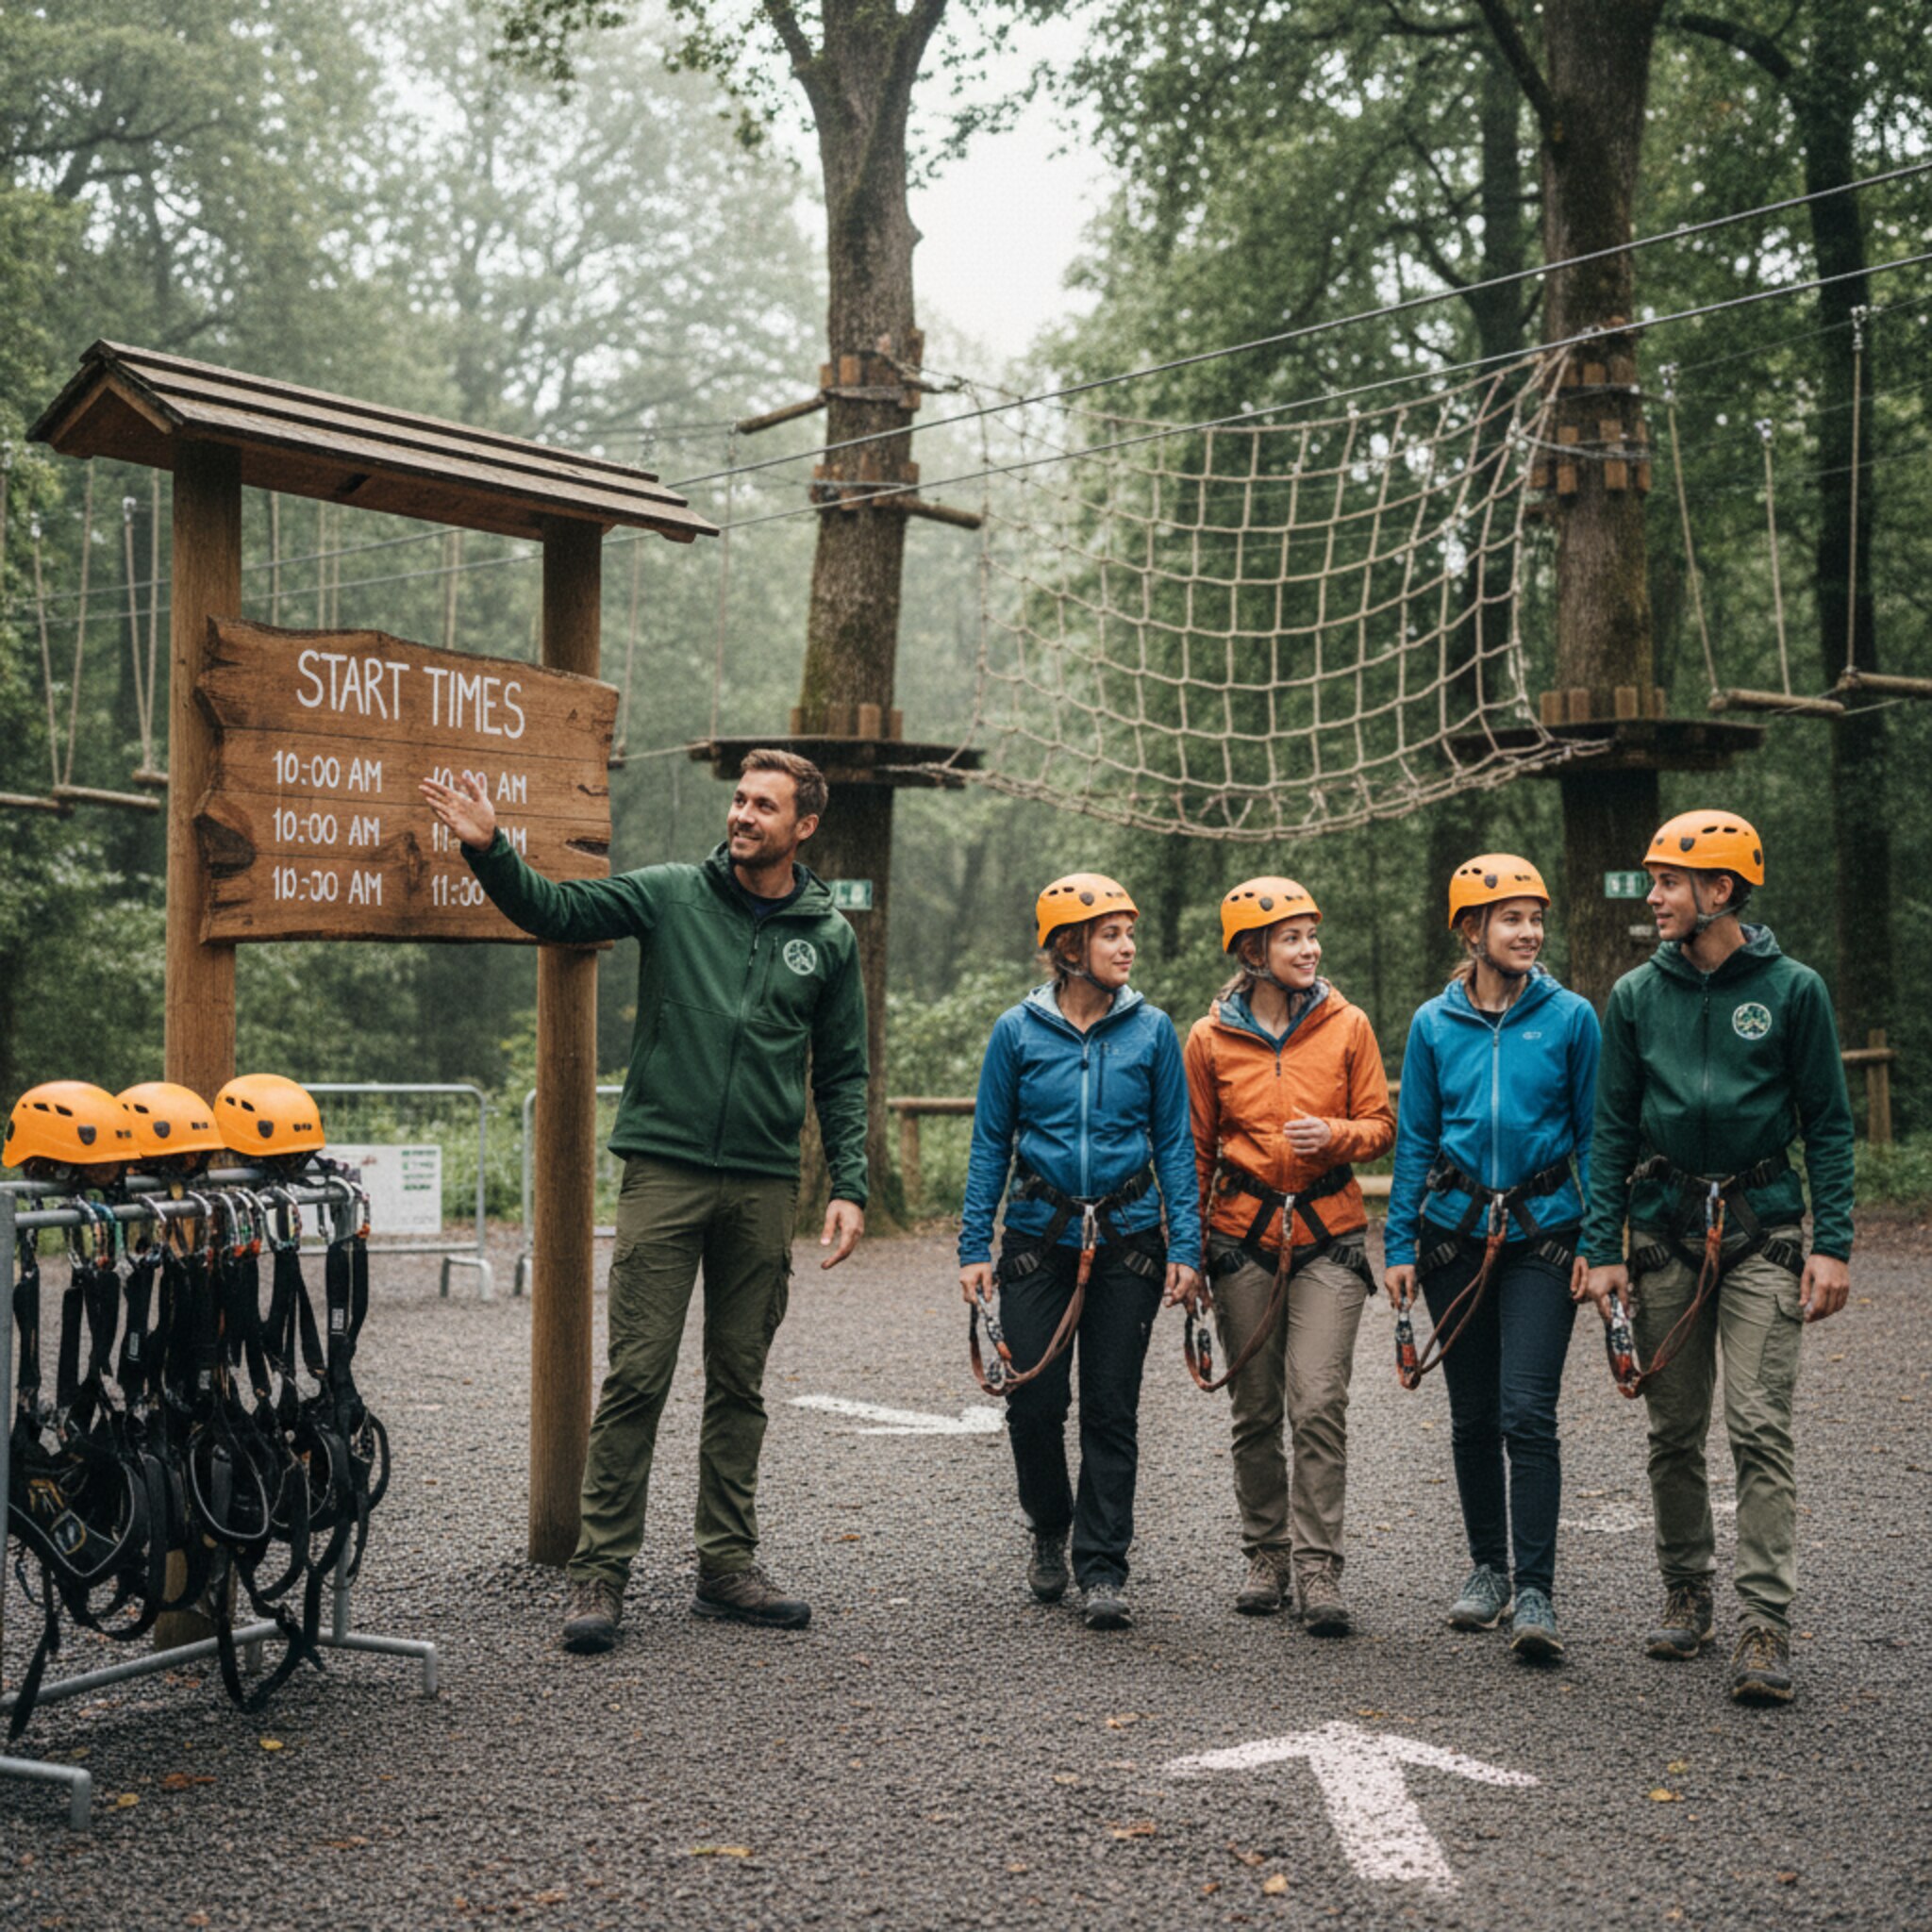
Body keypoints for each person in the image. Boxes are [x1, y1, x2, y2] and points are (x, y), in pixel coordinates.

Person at [422, 749, 868, 1653]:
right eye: (739, 801)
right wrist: (488, 848)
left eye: (764, 807)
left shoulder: (827, 935)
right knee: (636, 1378)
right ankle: (599, 1577)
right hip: (664, 1169)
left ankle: (726, 1566)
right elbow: (557, 910)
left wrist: (849, 1184)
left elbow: (846, 1071)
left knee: (739, 1382)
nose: (742, 817)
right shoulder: (671, 894)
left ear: (804, 827)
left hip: (761, 1181)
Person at [1581, 810, 1853, 1706]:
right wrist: (1605, 1248)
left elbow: (1830, 1125)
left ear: (1720, 891)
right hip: (1662, 1233)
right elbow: (1612, 1129)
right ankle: (1686, 1589)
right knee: (1673, 1429)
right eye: (1653, 879)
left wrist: (1834, 1245)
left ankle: (1764, 1621)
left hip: (1764, 1231)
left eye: (1666, 882)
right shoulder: (1634, 997)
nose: (1652, 896)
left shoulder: (1793, 990)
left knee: (1760, 1427)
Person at [958, 873, 1202, 1631]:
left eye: (1129, 932)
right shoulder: (1018, 1032)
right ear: (1070, 948)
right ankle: (1049, 1524)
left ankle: (1102, 1566)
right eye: (1111, 935)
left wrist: (1185, 1245)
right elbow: (991, 1141)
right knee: (1032, 1402)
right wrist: (975, 1243)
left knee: (1110, 1408)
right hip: (1039, 1238)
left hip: (1129, 1242)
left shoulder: (1154, 1031)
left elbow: (1175, 1145)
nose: (1128, 946)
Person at [1384, 856, 1599, 1660]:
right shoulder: (1434, 1025)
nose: (1530, 933)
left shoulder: (1573, 1017)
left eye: (1536, 918)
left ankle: (1536, 1587)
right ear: (1472, 931)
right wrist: (1400, 1241)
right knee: (1472, 1414)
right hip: (1452, 1235)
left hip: (1545, 1233)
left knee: (1526, 1411)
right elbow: (1414, 1140)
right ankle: (1487, 1571)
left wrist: (1602, 1242)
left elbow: (1595, 1138)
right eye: (1511, 919)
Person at [1183, 877, 1394, 1636]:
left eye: (1312, 936)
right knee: (1256, 1408)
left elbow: (1381, 1124)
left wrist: (1336, 1136)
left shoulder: (1349, 1026)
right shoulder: (1208, 1040)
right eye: (1293, 938)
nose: (1310, 949)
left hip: (1328, 1236)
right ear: (1253, 952)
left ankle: (1317, 1567)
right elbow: (1194, 1150)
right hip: (1239, 1241)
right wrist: (1191, 1250)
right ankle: (1266, 1554)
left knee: (1317, 1401)